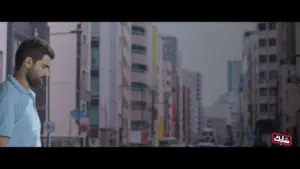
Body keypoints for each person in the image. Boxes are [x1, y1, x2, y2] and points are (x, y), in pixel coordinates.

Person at [0, 37, 55, 147]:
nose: (47, 73)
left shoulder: (27, 96)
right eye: (44, 67)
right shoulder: (8, 96)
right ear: (28, 62)